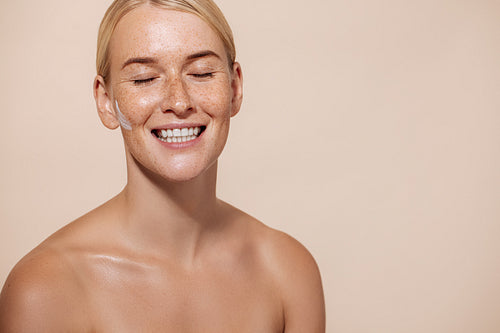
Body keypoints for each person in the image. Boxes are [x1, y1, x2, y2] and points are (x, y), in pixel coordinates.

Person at [0, 0, 325, 331]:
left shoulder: (288, 271)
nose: (178, 102)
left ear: (234, 88)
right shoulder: (45, 291)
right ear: (105, 101)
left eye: (201, 73)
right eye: (144, 79)